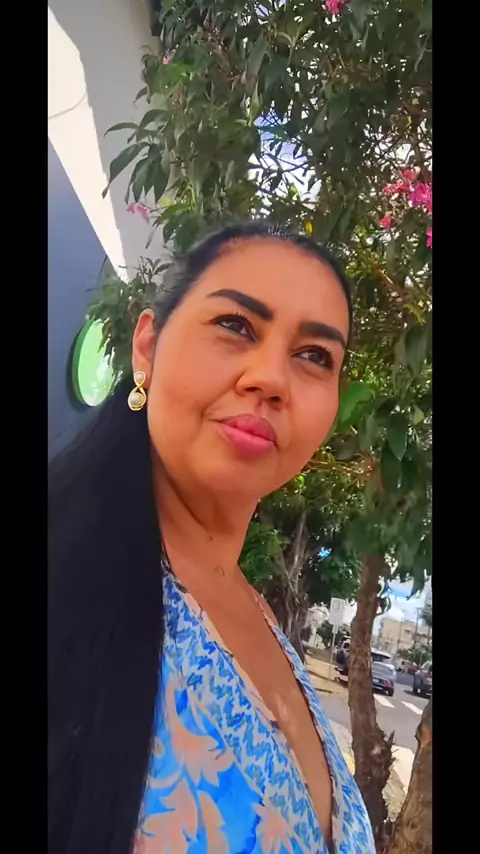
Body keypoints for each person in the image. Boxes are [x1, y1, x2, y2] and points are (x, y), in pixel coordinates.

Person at [49, 222, 375, 854]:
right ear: (147, 346)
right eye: (235, 325)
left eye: (315, 356)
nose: (271, 378)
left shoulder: (260, 616)